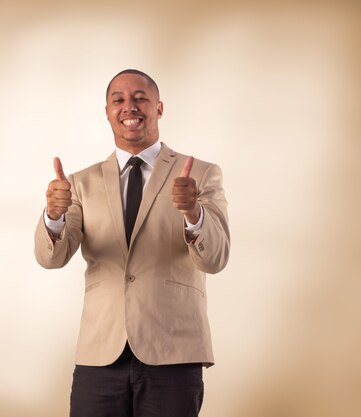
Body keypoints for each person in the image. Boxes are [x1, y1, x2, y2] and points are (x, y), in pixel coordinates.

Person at [34, 69, 230, 417]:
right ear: (107, 112)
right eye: (119, 100)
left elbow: (215, 259)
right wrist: (53, 216)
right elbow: (52, 258)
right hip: (100, 351)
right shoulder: (81, 183)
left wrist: (193, 212)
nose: (130, 107)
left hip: (173, 348)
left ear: (159, 108)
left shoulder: (200, 173)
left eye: (140, 97)